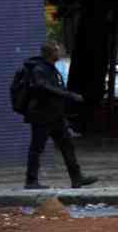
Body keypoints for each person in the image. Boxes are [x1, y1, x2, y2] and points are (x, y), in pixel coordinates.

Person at [23, 41, 98, 190]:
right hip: (42, 117)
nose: (59, 53)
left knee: (67, 146)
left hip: (55, 116)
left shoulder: (51, 68)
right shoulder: (39, 69)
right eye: (57, 51)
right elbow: (42, 87)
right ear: (51, 53)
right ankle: (31, 181)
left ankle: (77, 178)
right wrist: (68, 95)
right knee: (37, 148)